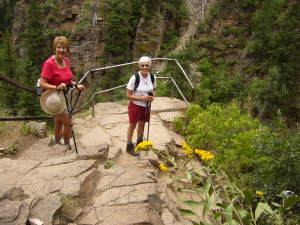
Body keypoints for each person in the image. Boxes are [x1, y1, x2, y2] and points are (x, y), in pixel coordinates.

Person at [40, 36, 85, 149]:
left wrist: (75, 85)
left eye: (64, 47)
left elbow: (66, 79)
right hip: (54, 99)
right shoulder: (49, 64)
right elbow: (42, 83)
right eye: (58, 47)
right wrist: (57, 87)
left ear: (67, 50)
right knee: (69, 124)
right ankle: (66, 146)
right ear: (54, 49)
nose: (61, 50)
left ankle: (57, 144)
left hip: (62, 97)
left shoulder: (65, 60)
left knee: (59, 122)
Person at [126, 56, 157, 156]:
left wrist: (152, 96)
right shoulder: (135, 78)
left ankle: (139, 142)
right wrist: (142, 98)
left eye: (147, 65)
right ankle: (129, 146)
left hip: (146, 106)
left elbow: (154, 89)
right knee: (132, 125)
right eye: (142, 65)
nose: (145, 67)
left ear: (150, 66)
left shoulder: (152, 77)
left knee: (142, 124)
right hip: (136, 105)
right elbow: (128, 95)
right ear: (140, 66)